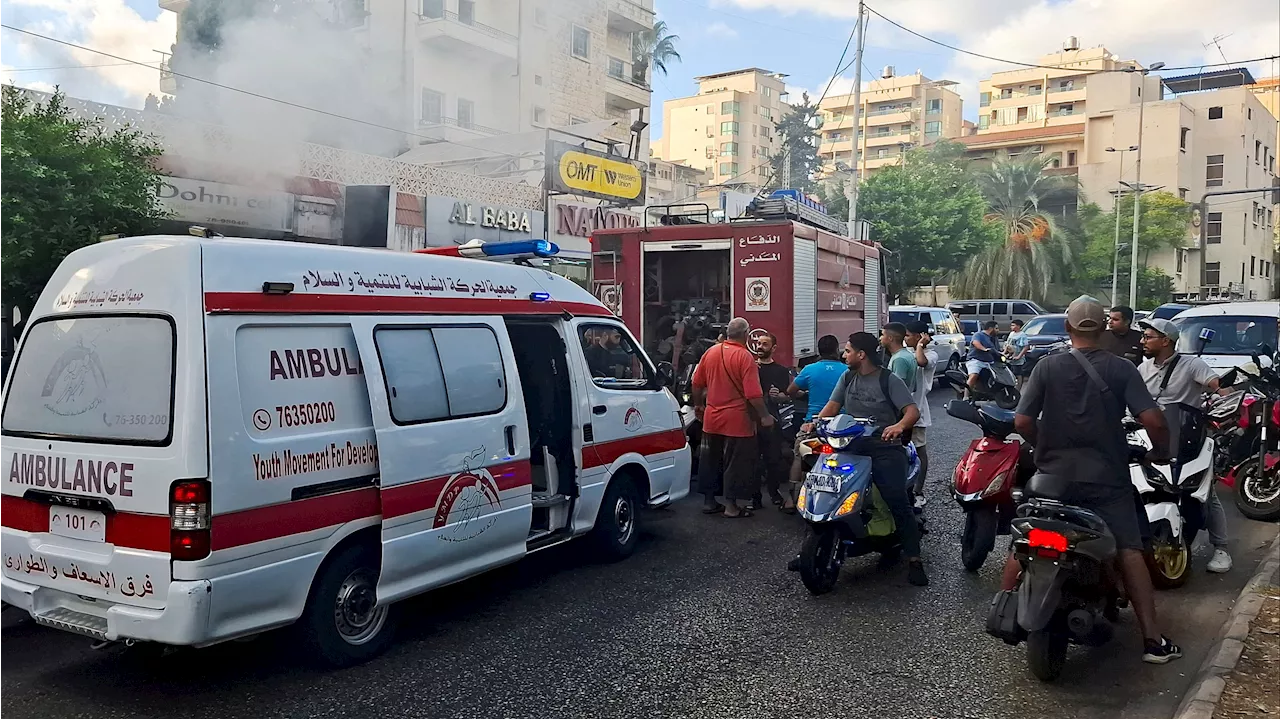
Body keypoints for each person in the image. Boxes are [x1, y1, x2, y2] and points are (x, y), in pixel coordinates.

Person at [1009, 296, 1182, 664]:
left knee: (1025, 536)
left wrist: (1045, 448)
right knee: (1129, 549)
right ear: (1104, 329)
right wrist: (1160, 452)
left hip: (1052, 478)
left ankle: (1007, 610)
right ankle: (1153, 640)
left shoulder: (1046, 367)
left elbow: (1022, 422)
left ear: (1067, 328)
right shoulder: (1121, 369)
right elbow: (1154, 421)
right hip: (1107, 480)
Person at [812, 332, 928, 587]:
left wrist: (898, 426)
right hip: (851, 446)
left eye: (848, 351)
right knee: (821, 483)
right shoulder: (847, 376)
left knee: (895, 498)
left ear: (861, 355)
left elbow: (912, 411)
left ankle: (914, 559)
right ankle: (813, 548)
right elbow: (833, 405)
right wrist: (815, 423)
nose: (844, 355)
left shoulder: (889, 379)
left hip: (884, 447)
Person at [1138, 318, 1233, 574]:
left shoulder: (1191, 364)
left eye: (1148, 337)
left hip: (1188, 438)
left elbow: (1220, 388)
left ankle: (1221, 548)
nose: (1143, 341)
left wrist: (1230, 407)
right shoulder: (1142, 369)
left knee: (1205, 492)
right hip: (1149, 438)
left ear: (1165, 341)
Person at [692, 318, 775, 518]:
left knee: (710, 461)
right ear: (746, 334)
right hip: (737, 420)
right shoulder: (745, 357)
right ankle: (731, 507)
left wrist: (699, 405)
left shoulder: (711, 352)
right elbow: (753, 394)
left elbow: (696, 382)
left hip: (712, 418)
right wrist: (765, 416)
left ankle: (709, 502)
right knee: (735, 463)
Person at [787, 335, 846, 491]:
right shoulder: (847, 371)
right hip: (841, 427)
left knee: (799, 455)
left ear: (819, 351)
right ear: (836, 350)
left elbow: (791, 391)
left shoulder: (809, 369)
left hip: (813, 426)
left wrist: (806, 392)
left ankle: (791, 499)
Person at [754, 332, 796, 512]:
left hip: (773, 421)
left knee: (773, 460)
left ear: (773, 348)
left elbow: (786, 396)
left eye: (764, 344)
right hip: (752, 421)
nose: (760, 347)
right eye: (758, 343)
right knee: (753, 460)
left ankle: (773, 492)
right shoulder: (751, 368)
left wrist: (778, 396)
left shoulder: (780, 371)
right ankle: (754, 498)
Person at [904, 322, 938, 505]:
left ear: (920, 336)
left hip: (917, 410)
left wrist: (919, 346)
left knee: (919, 451)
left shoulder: (930, 354)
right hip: (900, 412)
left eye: (909, 335)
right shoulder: (904, 352)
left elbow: (921, 362)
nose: (905, 338)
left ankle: (918, 490)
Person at [881, 322, 918, 393]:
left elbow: (897, 388)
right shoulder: (907, 355)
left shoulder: (899, 359)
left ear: (890, 338)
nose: (880, 338)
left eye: (882, 335)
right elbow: (914, 386)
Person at [967, 321, 1001, 393]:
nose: (998, 330)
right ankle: (965, 396)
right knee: (973, 376)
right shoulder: (978, 335)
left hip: (989, 363)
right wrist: (984, 349)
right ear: (991, 328)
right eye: (996, 328)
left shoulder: (994, 338)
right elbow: (976, 343)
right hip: (976, 361)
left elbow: (997, 351)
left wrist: (1006, 353)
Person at [1005, 318, 1031, 389]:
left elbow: (1025, 347)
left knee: (1018, 373)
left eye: (1013, 325)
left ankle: (1018, 389)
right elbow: (1008, 344)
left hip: (1017, 358)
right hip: (1010, 357)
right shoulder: (1011, 334)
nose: (1011, 327)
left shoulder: (1022, 335)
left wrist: (1019, 356)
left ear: (1018, 326)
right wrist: (1004, 353)